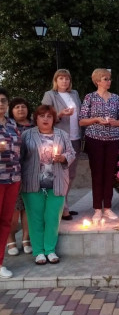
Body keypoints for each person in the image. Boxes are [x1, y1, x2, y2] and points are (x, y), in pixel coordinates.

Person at [20, 105, 75, 265]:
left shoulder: (62, 134)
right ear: (36, 118)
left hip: (57, 182)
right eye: (42, 116)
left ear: (54, 119)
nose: (45, 119)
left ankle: (50, 250)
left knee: (52, 218)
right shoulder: (26, 135)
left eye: (49, 116)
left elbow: (71, 152)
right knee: (35, 218)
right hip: (32, 183)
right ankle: (38, 252)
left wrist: (64, 157)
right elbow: (19, 157)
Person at [79, 68, 119, 222]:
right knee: (97, 174)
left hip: (113, 139)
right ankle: (97, 209)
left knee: (109, 173)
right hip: (94, 139)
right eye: (105, 79)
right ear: (97, 81)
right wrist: (96, 120)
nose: (109, 81)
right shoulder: (90, 97)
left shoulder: (116, 98)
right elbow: (81, 120)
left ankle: (108, 208)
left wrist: (115, 122)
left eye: (109, 79)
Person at [42, 69, 81, 221]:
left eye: (67, 79)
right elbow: (44, 117)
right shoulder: (50, 95)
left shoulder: (74, 94)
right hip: (59, 140)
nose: (64, 81)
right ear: (56, 81)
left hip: (75, 138)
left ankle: (64, 204)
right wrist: (60, 114)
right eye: (61, 78)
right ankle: (62, 208)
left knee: (71, 175)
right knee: (60, 175)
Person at [6, 97, 34, 256]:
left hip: (31, 172)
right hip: (12, 172)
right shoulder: (8, 126)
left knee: (28, 208)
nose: (21, 109)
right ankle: (10, 239)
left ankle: (26, 239)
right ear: (11, 110)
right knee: (14, 209)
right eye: (17, 107)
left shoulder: (34, 125)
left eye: (23, 106)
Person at [0, 88, 21, 278]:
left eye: (3, 101)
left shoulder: (12, 124)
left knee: (6, 220)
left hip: (13, 178)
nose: (1, 104)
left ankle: (0, 263)